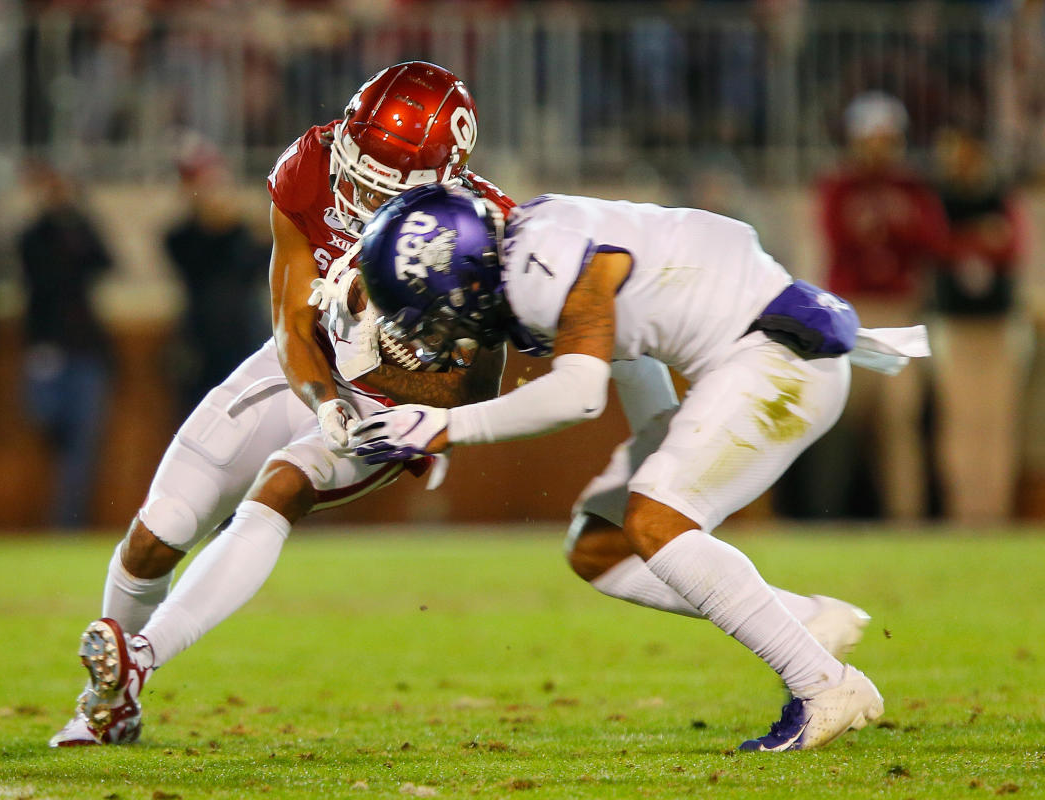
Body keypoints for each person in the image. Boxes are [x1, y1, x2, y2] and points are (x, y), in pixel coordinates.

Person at [348, 184, 932, 751]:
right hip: (757, 357)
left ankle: (824, 687)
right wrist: (664, 438)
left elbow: (579, 392)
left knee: (655, 521)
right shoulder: (532, 245)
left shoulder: (538, 271)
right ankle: (807, 623)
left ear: (466, 274)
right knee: (601, 549)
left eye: (437, 312)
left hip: (779, 359)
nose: (440, 332)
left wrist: (446, 426)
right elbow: (632, 353)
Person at [48, 61, 511, 747]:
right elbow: (293, 326)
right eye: (356, 167)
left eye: (381, 186)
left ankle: (137, 666)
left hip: (386, 403)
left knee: (282, 486)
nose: (354, 190)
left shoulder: (482, 231)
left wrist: (384, 379)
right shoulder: (312, 162)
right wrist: (324, 396)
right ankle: (106, 701)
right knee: (158, 530)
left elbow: (475, 392)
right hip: (309, 368)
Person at [810, 92, 948, 519]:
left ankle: (905, 518)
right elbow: (838, 239)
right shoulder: (839, 186)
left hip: (898, 309)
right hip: (851, 311)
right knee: (836, 419)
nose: (878, 148)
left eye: (886, 139)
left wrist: (896, 224)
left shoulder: (912, 188)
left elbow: (933, 241)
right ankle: (825, 517)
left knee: (900, 423)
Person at [928, 126, 1031, 523]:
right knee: (959, 420)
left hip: (998, 322)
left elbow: (1013, 247)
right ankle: (963, 510)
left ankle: (995, 510)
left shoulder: (1000, 197)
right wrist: (977, 237)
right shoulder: (940, 199)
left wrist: (969, 241)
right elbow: (934, 246)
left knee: (998, 420)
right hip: (955, 323)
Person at [17, 161, 115, 528]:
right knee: (47, 428)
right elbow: (45, 275)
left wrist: (77, 221)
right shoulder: (33, 235)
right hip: (46, 348)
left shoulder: (82, 230)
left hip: (85, 350)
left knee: (82, 444)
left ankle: (68, 523)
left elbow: (106, 261)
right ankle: (56, 517)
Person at [163, 136, 271, 415]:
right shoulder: (180, 238)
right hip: (201, 348)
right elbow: (199, 258)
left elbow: (256, 265)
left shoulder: (244, 234)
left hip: (244, 342)